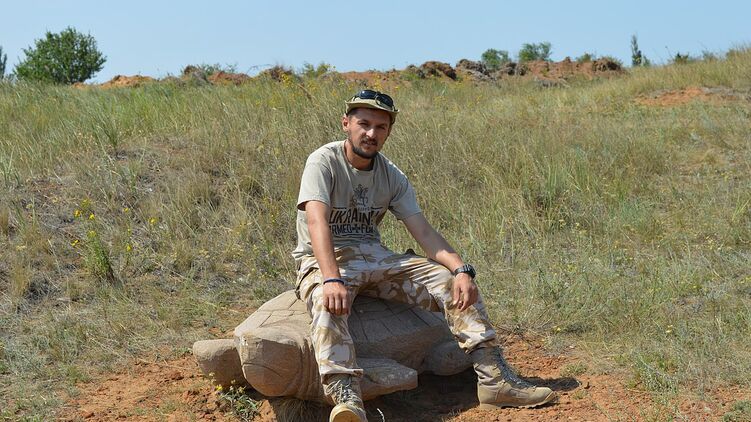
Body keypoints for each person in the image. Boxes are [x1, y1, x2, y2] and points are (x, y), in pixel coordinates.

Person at [292, 89, 557, 422]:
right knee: (326, 300)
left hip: (375, 257)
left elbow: (425, 233)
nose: (371, 133)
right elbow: (316, 222)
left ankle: (495, 381)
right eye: (364, 124)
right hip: (326, 257)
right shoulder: (323, 161)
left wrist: (462, 270)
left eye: (381, 127)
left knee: (450, 281)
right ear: (346, 123)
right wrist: (331, 278)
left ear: (389, 131)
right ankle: (347, 398)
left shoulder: (392, 175)